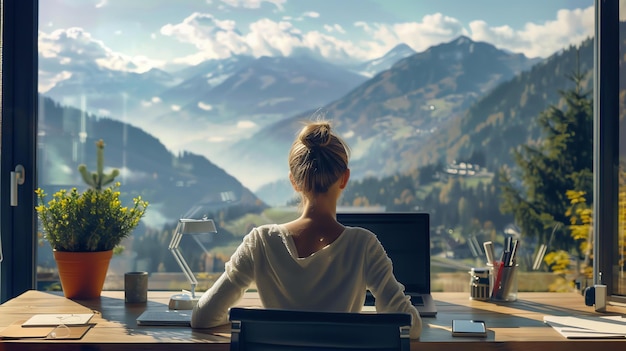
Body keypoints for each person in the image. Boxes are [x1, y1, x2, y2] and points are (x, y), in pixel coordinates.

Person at [191, 120, 422, 339]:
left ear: (294, 181)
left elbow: (203, 317)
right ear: (345, 178)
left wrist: (259, 323)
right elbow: (410, 327)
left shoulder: (260, 242)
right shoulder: (363, 246)